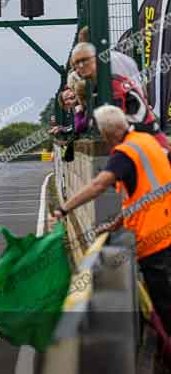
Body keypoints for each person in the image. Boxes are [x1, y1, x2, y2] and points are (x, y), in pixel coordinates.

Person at [52, 105, 171, 330]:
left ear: (107, 133)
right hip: (166, 229)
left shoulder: (125, 153)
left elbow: (98, 185)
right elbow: (141, 196)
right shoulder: (147, 142)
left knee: (164, 304)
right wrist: (116, 224)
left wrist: (64, 209)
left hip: (152, 239)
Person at [71, 42, 169, 150]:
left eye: (84, 60)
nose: (80, 66)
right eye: (76, 63)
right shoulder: (102, 86)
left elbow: (117, 129)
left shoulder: (111, 85)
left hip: (150, 147)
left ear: (96, 58)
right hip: (142, 146)